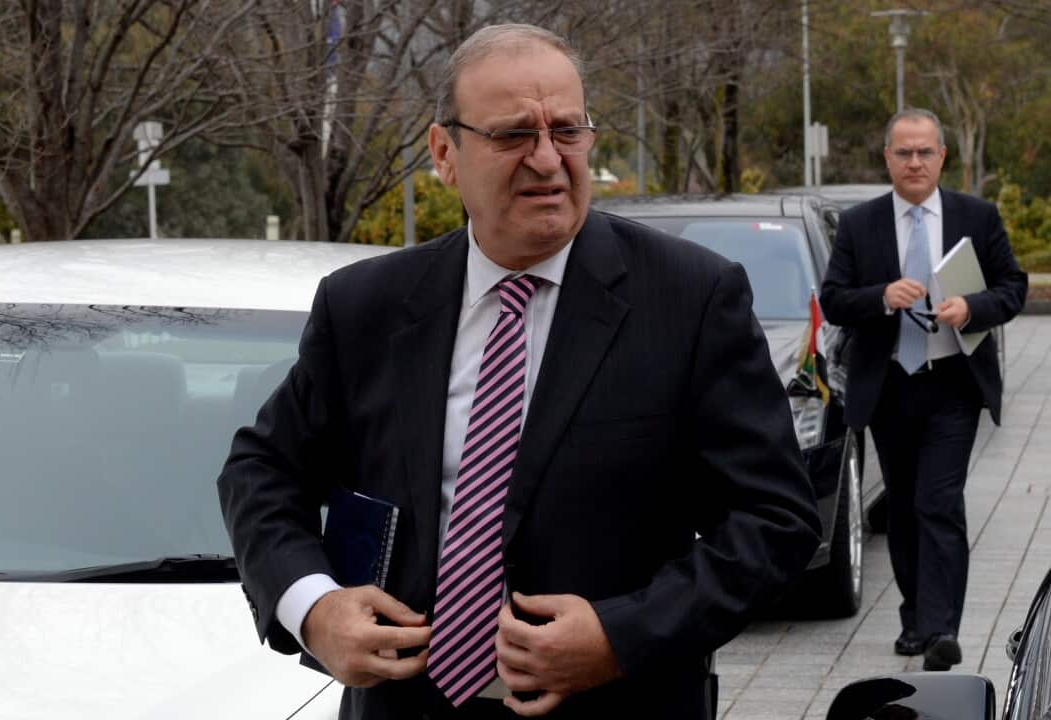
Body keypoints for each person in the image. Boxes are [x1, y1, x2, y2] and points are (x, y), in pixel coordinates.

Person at [219, 24, 820, 719]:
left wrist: (620, 634)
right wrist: (313, 608)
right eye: (513, 136)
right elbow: (260, 471)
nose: (547, 159)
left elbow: (777, 520)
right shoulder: (367, 309)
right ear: (445, 153)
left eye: (567, 130)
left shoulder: (690, 299)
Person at [820, 108, 1026, 672]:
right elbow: (835, 297)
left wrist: (972, 307)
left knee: (938, 502)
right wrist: (883, 296)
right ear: (887, 158)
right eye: (904, 152)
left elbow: (1013, 287)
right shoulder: (860, 223)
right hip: (888, 386)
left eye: (925, 152)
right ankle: (915, 619)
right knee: (905, 508)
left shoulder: (975, 217)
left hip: (953, 387)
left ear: (942, 157)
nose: (915, 162)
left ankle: (941, 630)